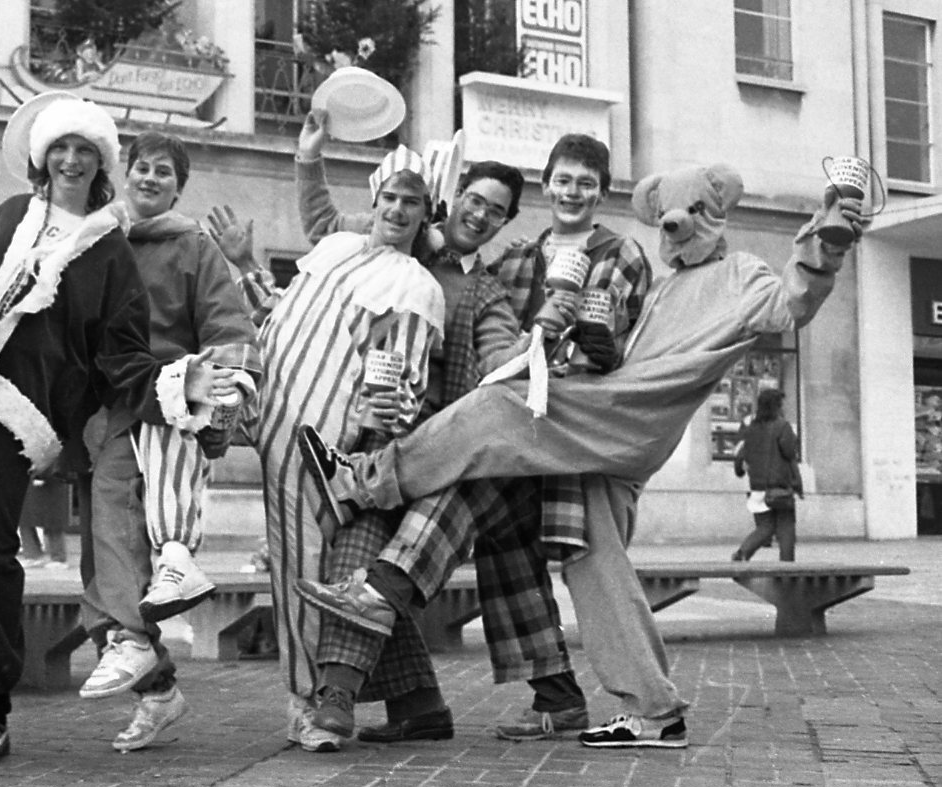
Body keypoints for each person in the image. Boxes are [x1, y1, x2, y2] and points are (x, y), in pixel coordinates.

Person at [298, 162, 867, 749]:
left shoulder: (741, 274)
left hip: (623, 415)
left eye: (694, 214)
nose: (678, 228)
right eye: (670, 221)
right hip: (610, 425)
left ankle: (364, 486)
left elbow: (792, 303)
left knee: (495, 409)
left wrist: (825, 238)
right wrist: (593, 348)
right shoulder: (658, 281)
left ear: (717, 213)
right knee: (594, 560)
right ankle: (653, 710)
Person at [0, 96, 228, 767]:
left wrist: (180, 390)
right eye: (61, 147)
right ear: (41, 155)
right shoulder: (5, 218)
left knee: (101, 557)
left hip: (45, 417)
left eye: (85, 150)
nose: (71, 160)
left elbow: (123, 357)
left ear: (102, 162)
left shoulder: (111, 251)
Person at [243, 108, 446, 752]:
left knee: (317, 568)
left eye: (412, 201)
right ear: (375, 199)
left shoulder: (417, 287)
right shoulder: (334, 249)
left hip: (334, 456)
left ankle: (314, 703)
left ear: (426, 212)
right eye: (389, 196)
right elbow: (316, 227)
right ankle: (418, 704)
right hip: (272, 427)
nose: (397, 209)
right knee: (307, 566)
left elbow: (401, 389)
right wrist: (309, 157)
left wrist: (367, 431)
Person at [79, 130, 260, 752]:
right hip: (110, 414)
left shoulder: (194, 248)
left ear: (179, 185)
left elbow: (228, 327)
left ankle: (137, 653)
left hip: (167, 413)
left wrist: (219, 394)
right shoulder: (100, 240)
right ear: (125, 174)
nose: (149, 178)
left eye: (163, 171)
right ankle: (157, 691)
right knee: (105, 561)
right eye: (141, 168)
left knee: (123, 538)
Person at [731, 387, 802, 561]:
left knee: (764, 527)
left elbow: (742, 456)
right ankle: (787, 566)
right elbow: (789, 452)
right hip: (779, 486)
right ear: (777, 406)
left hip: (757, 487)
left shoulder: (751, 428)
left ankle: (743, 552)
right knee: (786, 527)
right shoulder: (781, 426)